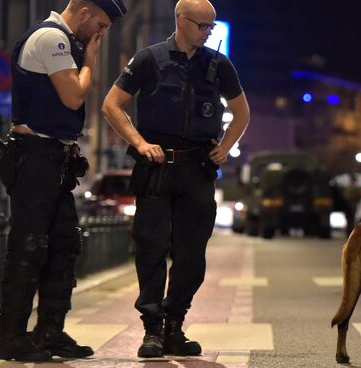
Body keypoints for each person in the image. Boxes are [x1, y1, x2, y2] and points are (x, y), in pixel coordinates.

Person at [101, 0, 250, 358]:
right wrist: (138, 142)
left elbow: (242, 111)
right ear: (182, 22)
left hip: (196, 169)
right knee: (151, 248)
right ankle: (152, 329)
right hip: (156, 169)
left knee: (191, 254)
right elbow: (111, 105)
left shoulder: (218, 64)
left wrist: (226, 147)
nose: (209, 31)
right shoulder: (149, 59)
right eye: (203, 25)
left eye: (212, 26)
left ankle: (174, 325)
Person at [0, 0, 126, 362]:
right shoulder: (51, 37)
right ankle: (10, 336)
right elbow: (73, 96)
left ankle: (49, 333)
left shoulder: (65, 41)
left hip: (54, 160)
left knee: (63, 246)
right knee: (29, 247)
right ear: (84, 12)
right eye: (100, 24)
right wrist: (90, 62)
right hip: (35, 157)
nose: (101, 33)